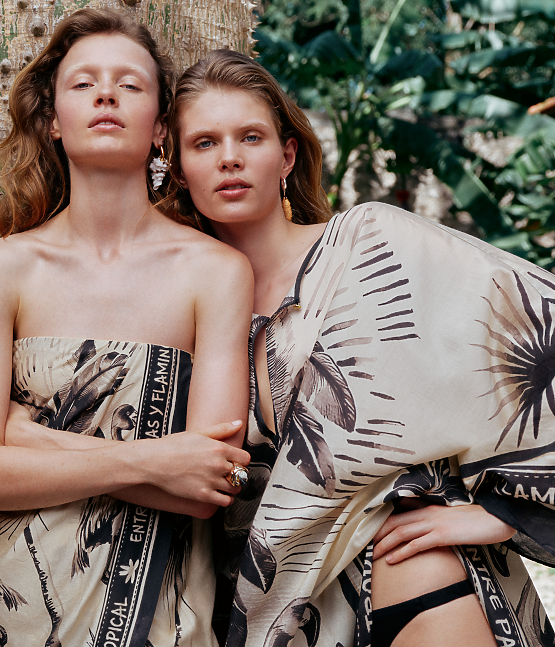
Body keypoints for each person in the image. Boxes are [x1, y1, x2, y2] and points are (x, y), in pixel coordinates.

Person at [167, 49, 555, 647]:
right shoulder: (177, 309)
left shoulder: (369, 244)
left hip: (417, 582)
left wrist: (503, 515)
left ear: (287, 155)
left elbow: (539, 329)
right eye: (204, 143)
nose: (230, 158)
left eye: (251, 137)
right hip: (281, 619)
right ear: (176, 167)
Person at [0, 9, 253, 647]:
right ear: (54, 121)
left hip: (163, 619)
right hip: (10, 608)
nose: (107, 94)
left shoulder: (216, 271)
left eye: (130, 84)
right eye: (84, 83)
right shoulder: (0, 268)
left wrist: (27, 440)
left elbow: (206, 484)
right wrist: (152, 459)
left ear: (161, 127)